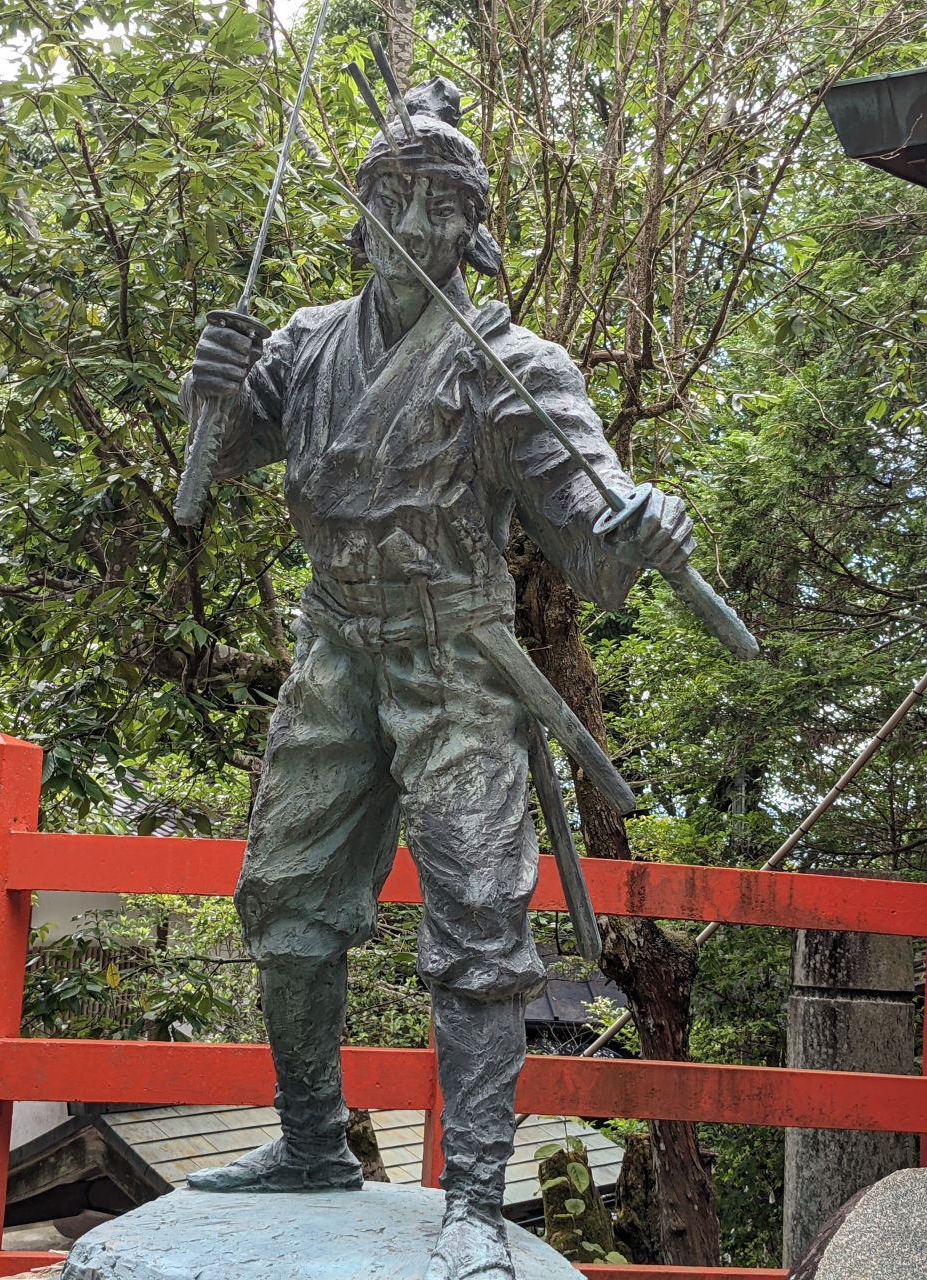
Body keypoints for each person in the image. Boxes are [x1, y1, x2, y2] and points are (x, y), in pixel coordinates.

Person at [179, 75, 693, 1280]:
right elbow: (223, 453)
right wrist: (210, 387)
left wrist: (637, 525)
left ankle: (472, 1196)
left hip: (459, 662)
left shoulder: (514, 365)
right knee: (284, 898)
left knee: (476, 920)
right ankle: (313, 1140)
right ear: (361, 207)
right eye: (393, 195)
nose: (412, 222)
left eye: (441, 203)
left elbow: (590, 532)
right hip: (335, 649)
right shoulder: (307, 343)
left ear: (474, 228)